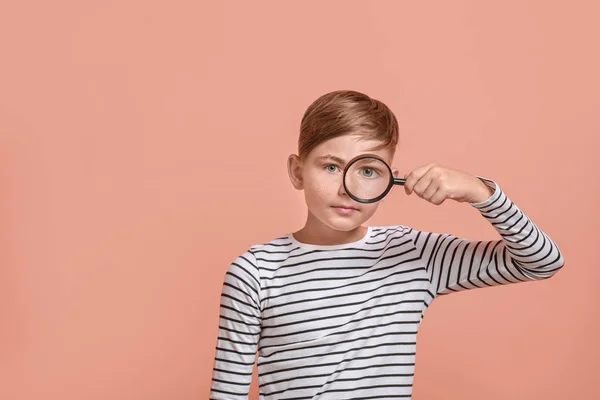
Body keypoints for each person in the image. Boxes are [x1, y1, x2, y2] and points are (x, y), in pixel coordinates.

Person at [209, 90, 565, 399]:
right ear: (297, 171)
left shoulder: (412, 254)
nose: (347, 188)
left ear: (390, 178)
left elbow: (542, 261)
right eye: (331, 167)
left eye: (368, 171)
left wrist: (481, 193)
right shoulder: (255, 271)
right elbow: (228, 392)